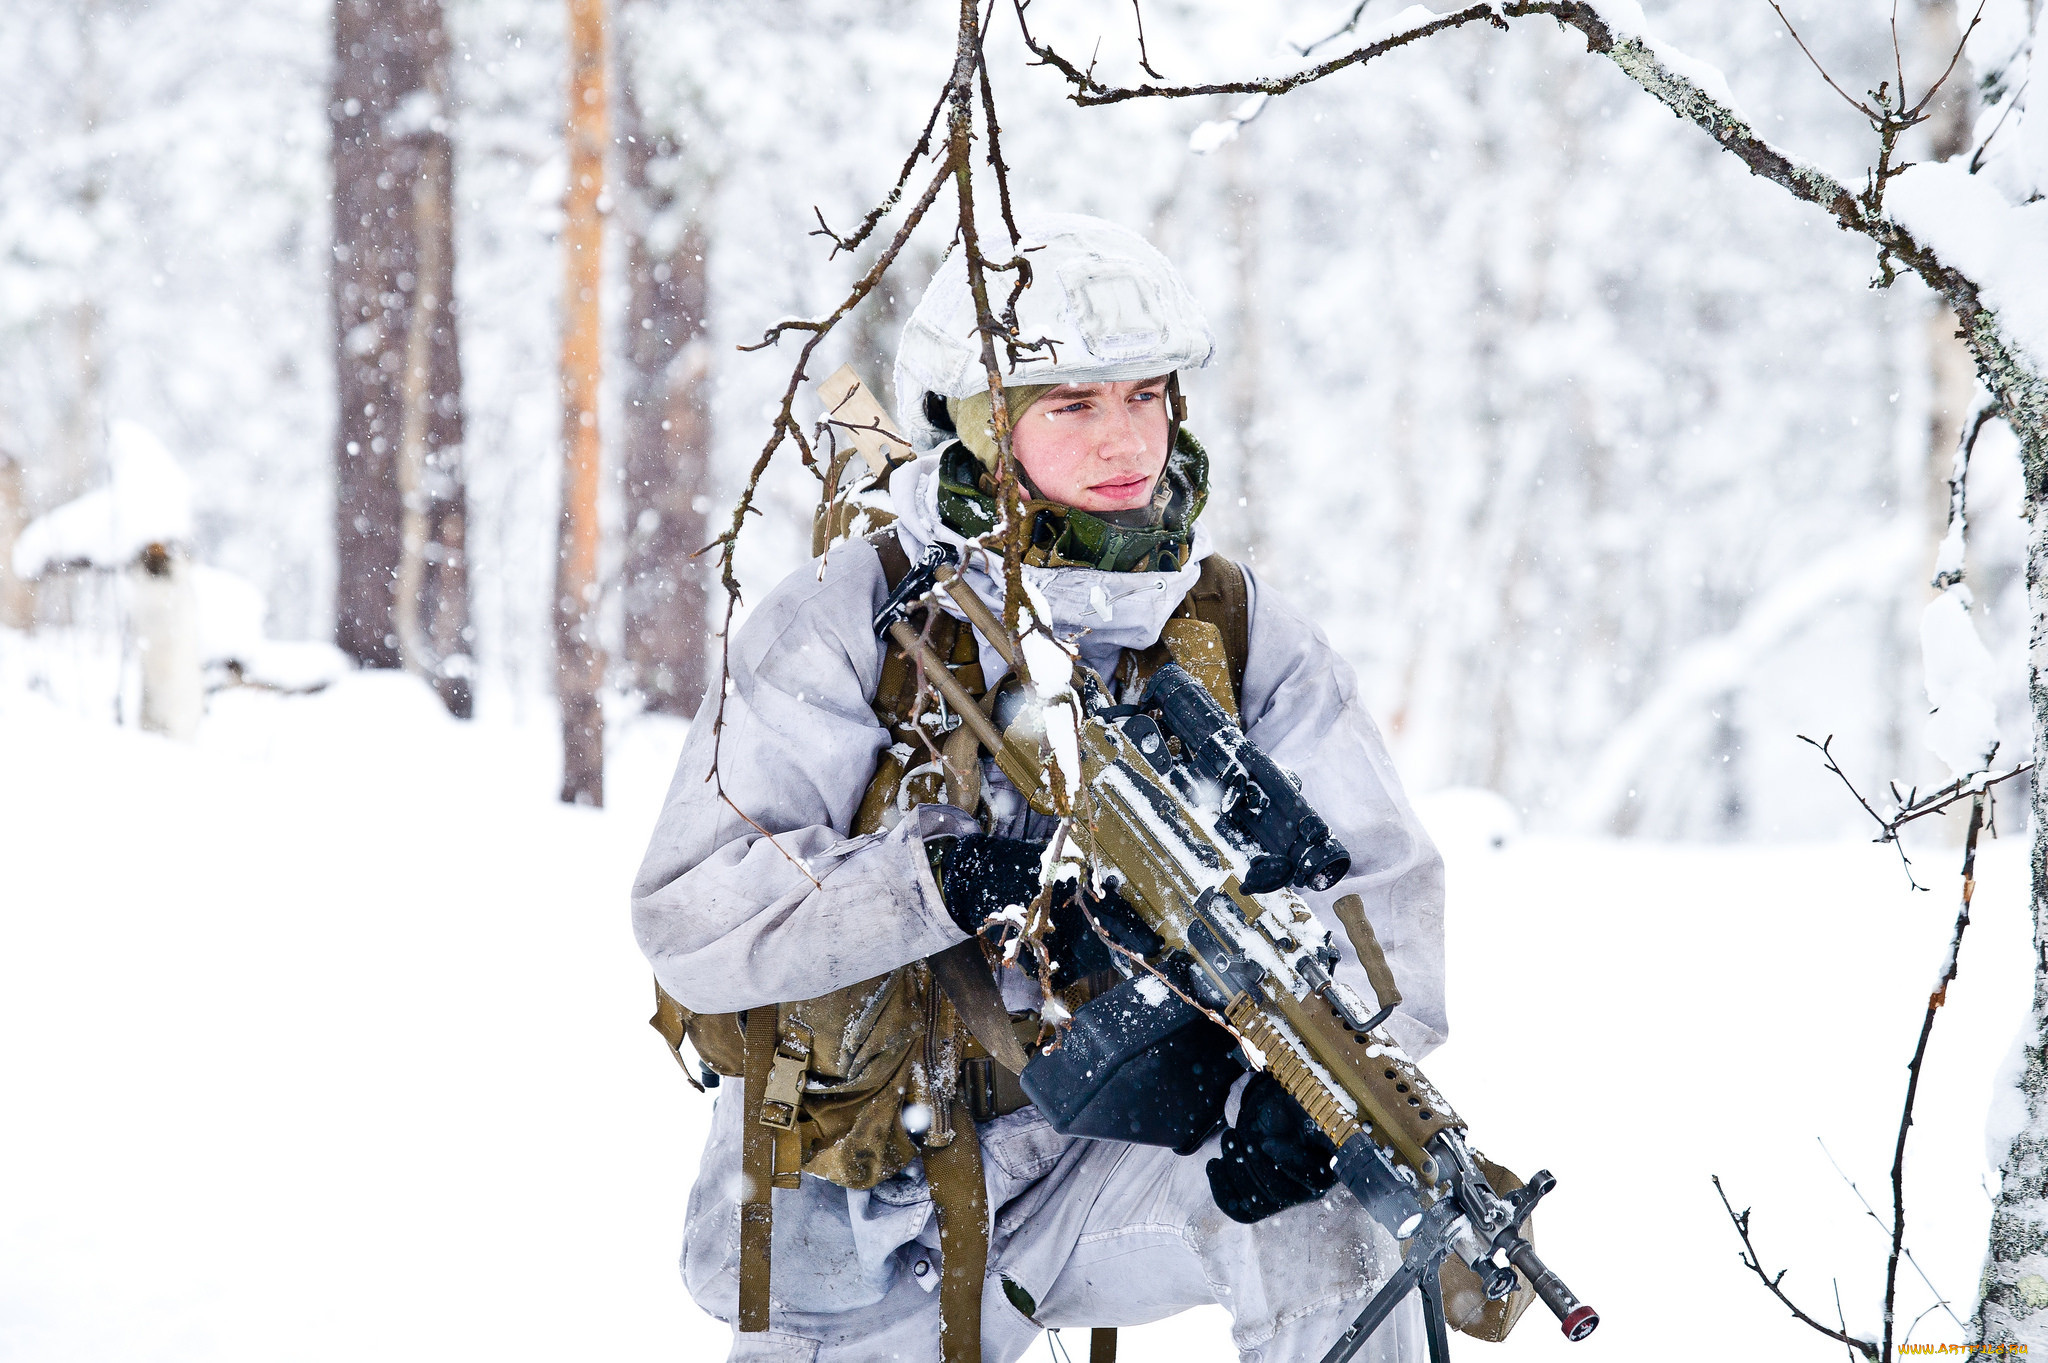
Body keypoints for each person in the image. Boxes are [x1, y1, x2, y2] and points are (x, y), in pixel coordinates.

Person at [632, 213, 1447, 1363]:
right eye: (1070, 405)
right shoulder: (845, 618)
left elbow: (1388, 907)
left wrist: (1302, 1081)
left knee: (1333, 1196)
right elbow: (691, 907)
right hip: (858, 1214)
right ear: (982, 425)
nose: (1124, 440)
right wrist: (939, 881)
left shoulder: (1239, 632)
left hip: (1100, 1173)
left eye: (1144, 396)